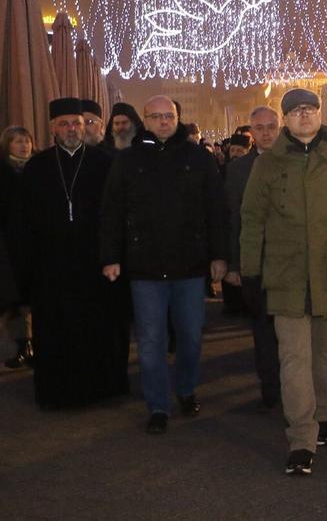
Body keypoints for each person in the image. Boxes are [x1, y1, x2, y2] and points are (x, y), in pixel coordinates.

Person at [240, 88, 327, 476]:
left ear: (320, 114)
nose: (303, 116)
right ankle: (301, 437)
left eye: (309, 110)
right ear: (285, 119)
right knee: (294, 359)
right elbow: (251, 222)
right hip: (286, 276)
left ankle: (322, 414)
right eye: (296, 111)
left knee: (326, 356)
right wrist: (249, 272)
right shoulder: (268, 164)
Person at [101, 96, 228, 434]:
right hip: (146, 267)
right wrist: (110, 256)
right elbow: (113, 210)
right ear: (145, 119)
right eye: (155, 116)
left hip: (189, 265)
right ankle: (157, 405)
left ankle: (186, 389)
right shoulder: (128, 160)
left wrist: (219, 255)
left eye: (168, 116)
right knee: (151, 341)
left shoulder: (197, 157)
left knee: (190, 337)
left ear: (178, 118)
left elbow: (216, 208)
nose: (162, 121)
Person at [18, 98, 128, 408]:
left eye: (76, 124)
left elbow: (117, 214)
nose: (71, 129)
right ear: (52, 128)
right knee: (55, 331)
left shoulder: (104, 163)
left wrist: (114, 255)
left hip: (95, 263)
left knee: (97, 327)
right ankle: (57, 392)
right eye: (64, 124)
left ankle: (101, 388)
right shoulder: (37, 168)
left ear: (85, 127)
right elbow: (24, 223)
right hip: (50, 268)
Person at [224, 106, 281, 409]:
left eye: (271, 126)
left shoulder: (298, 160)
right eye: (259, 128)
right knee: (262, 329)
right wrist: (234, 265)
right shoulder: (238, 170)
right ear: (251, 132)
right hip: (255, 261)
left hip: (290, 261)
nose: (266, 133)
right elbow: (233, 218)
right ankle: (271, 388)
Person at [0, 126, 33, 368]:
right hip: (9, 246)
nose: (23, 145)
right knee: (13, 300)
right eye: (17, 142)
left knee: (31, 301)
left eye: (26, 141)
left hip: (35, 245)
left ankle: (32, 346)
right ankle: (22, 345)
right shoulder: (4, 172)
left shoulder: (40, 168)